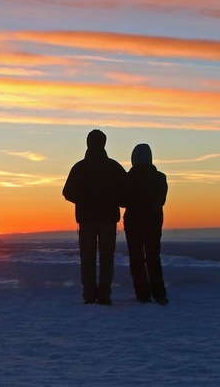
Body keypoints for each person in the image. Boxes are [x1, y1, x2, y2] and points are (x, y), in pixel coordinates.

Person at [63, 129, 127, 305]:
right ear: (104, 144)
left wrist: (83, 200)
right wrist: (115, 200)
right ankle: (104, 295)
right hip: (108, 219)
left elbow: (67, 192)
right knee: (107, 258)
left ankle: (89, 295)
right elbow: (125, 194)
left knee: (88, 258)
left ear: (88, 143)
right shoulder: (113, 167)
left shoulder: (80, 167)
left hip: (87, 219)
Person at [123, 144, 169, 305]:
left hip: (133, 220)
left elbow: (122, 201)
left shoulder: (128, 178)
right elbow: (161, 200)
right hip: (154, 220)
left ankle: (142, 294)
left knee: (136, 257)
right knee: (153, 256)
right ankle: (159, 293)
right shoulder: (160, 178)